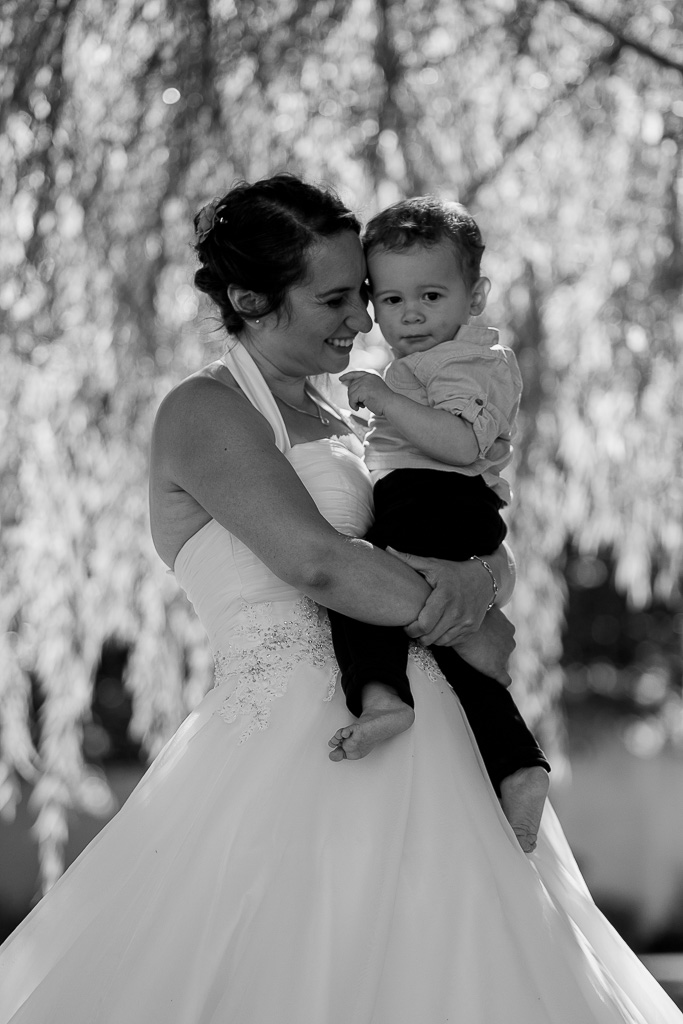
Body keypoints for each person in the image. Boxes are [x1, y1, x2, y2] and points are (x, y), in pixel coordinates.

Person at [0, 173, 680, 1024]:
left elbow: (455, 525)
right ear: (249, 298)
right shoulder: (204, 410)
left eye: (362, 295)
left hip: (437, 740)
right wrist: (464, 618)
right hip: (293, 738)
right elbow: (317, 562)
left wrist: (482, 580)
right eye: (334, 300)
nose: (364, 321)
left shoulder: (358, 411)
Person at [326, 196, 549, 853]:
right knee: (452, 652)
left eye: (430, 294)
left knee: (357, 583)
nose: (411, 314)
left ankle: (382, 695)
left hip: (438, 498)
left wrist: (387, 401)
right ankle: (516, 764)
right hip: (433, 502)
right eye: (391, 300)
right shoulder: (429, 361)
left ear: (474, 296)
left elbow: (457, 444)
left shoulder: (468, 361)